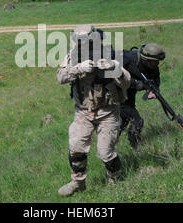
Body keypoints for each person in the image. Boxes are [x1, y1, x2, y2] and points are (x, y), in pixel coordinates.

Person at [56, 24, 131, 197]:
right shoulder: (72, 56)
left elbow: (126, 82)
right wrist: (78, 69)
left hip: (108, 111)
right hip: (83, 112)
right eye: (80, 41)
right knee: (76, 146)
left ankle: (115, 180)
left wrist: (113, 67)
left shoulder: (110, 54)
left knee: (106, 152)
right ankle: (78, 182)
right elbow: (60, 77)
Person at [119, 43, 166, 149]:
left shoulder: (152, 66)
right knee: (136, 120)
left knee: (124, 120)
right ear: (145, 60)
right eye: (155, 62)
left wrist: (153, 90)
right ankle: (136, 147)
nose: (157, 64)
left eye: (158, 62)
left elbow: (155, 80)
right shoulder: (127, 58)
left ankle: (111, 143)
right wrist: (135, 83)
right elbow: (110, 75)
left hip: (128, 93)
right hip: (115, 92)